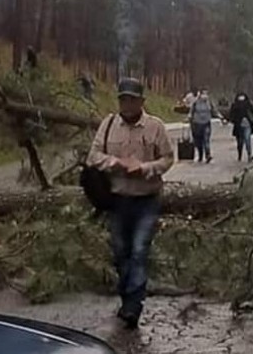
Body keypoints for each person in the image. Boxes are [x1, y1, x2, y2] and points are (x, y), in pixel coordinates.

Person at [86, 78, 174, 329]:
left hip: (147, 199)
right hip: (117, 199)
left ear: (141, 102)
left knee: (139, 249)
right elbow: (93, 157)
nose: (127, 103)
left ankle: (134, 305)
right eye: (123, 99)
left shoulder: (155, 127)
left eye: (132, 99)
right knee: (120, 250)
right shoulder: (109, 124)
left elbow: (168, 159)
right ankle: (127, 294)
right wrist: (115, 163)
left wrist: (144, 168)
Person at [228, 92, 253, 163]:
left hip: (247, 125)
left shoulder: (248, 104)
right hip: (238, 126)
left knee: (247, 139)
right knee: (240, 142)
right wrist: (232, 120)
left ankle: (249, 154)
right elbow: (231, 114)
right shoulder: (234, 105)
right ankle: (240, 154)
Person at [189, 88, 217, 163]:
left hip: (206, 123)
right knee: (198, 141)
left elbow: (214, 111)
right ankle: (200, 155)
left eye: (206, 94)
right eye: (203, 94)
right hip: (197, 124)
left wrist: (221, 117)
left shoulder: (209, 103)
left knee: (206, 139)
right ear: (200, 95)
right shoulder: (195, 102)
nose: (205, 96)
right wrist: (189, 118)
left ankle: (208, 155)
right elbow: (191, 112)